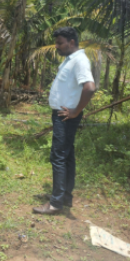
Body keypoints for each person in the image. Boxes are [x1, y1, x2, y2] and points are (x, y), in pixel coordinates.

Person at [33, 27, 96, 215]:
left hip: (66, 116)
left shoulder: (79, 61)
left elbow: (89, 87)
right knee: (66, 156)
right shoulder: (71, 60)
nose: (57, 46)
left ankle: (55, 203)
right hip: (63, 115)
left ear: (71, 42)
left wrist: (76, 111)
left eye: (60, 43)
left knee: (58, 156)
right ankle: (65, 197)